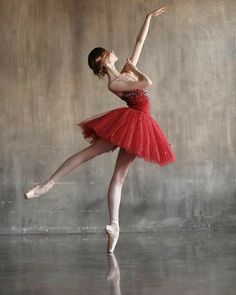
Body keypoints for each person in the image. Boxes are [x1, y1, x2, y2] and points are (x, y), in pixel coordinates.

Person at [24, 6, 175, 253]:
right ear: (105, 60)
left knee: (119, 177)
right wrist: (134, 69)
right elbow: (148, 82)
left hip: (138, 126)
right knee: (90, 154)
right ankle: (48, 184)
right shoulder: (115, 82)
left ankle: (114, 226)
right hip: (130, 123)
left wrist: (148, 18)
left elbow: (140, 41)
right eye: (109, 53)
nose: (114, 52)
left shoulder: (122, 72)